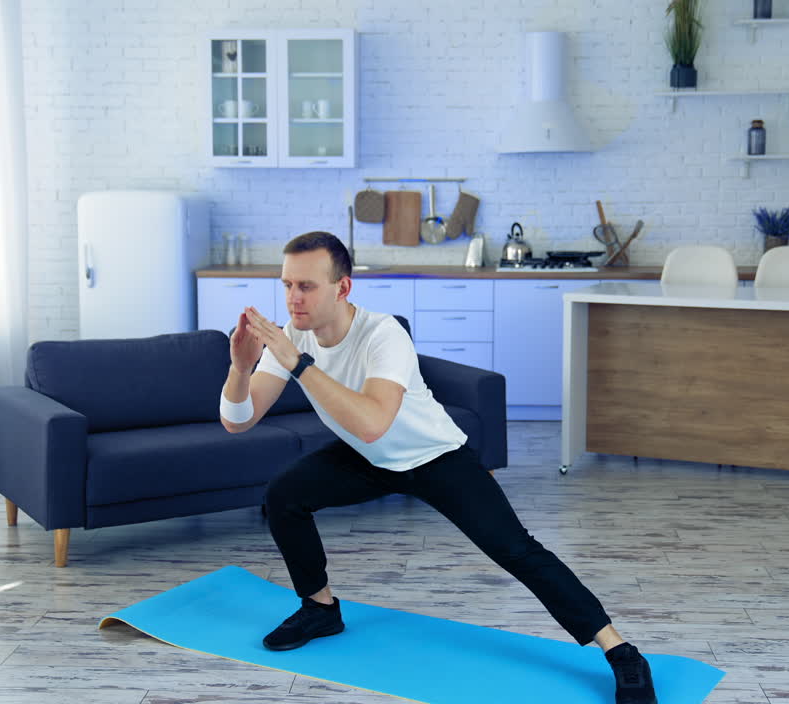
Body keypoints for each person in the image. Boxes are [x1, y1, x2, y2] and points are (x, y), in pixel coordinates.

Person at [218, 231, 657, 704]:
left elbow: (374, 423)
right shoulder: (292, 335)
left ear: (342, 287)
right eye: (287, 285)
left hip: (434, 456)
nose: (293, 298)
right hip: (370, 457)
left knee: (516, 549)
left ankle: (620, 651)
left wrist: (299, 364)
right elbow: (238, 421)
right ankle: (320, 609)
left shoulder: (383, 334)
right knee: (284, 494)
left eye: (306, 286)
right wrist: (240, 369)